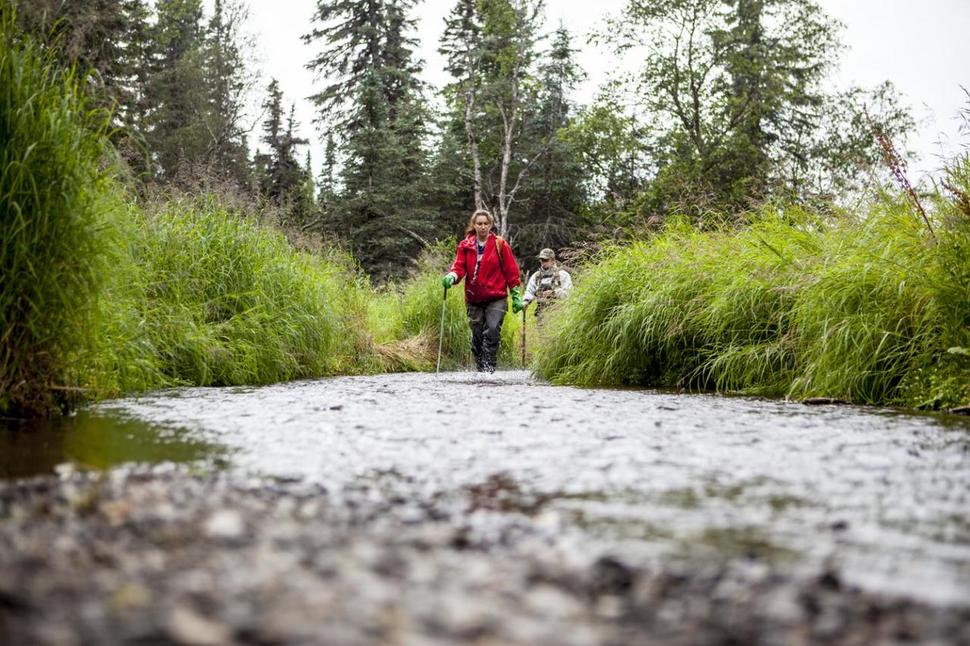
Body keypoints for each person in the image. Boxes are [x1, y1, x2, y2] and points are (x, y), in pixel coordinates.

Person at [442, 209, 524, 373]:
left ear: (490, 225)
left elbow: (511, 270)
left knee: (492, 329)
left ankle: (489, 368)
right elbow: (459, 267)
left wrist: (515, 296)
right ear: (474, 225)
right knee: (477, 337)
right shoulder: (465, 246)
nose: (483, 227)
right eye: (479, 224)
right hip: (474, 299)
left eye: (486, 224)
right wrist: (452, 276)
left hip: (497, 297)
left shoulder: (500, 244)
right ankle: (480, 368)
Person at [522, 248, 572, 320]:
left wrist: (554, 293)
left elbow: (568, 294)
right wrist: (526, 301)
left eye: (545, 260)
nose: (543, 263)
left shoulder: (563, 275)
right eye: (541, 260)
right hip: (541, 316)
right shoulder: (536, 276)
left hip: (560, 316)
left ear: (553, 260)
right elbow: (529, 291)